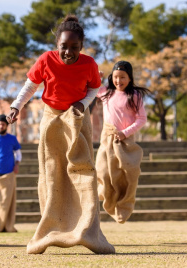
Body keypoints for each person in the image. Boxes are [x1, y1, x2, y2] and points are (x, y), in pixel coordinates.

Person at [6, 15, 115, 254]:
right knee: (52, 172)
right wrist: (16, 106)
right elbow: (31, 86)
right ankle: (51, 228)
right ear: (57, 45)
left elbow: (94, 88)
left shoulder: (88, 64)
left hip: (77, 117)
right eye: (63, 47)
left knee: (83, 169)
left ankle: (88, 231)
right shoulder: (46, 60)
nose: (68, 52)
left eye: (74, 48)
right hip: (52, 117)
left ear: (81, 47)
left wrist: (82, 104)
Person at [95, 61, 148, 224]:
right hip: (107, 138)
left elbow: (142, 119)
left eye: (123, 77)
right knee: (103, 171)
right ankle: (106, 196)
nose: (119, 81)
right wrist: (97, 77)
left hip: (125, 141)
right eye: (116, 77)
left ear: (130, 78)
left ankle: (124, 206)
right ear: (112, 77)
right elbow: (91, 89)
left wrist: (125, 133)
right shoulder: (105, 92)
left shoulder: (135, 96)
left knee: (128, 174)